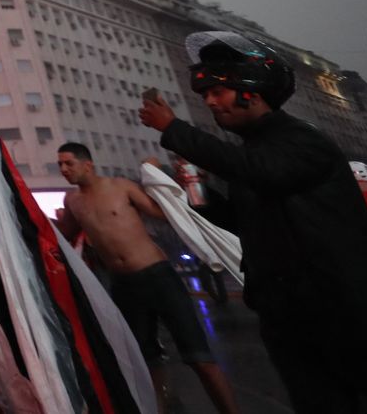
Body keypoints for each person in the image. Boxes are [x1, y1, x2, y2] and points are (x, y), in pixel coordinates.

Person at [140, 31, 367, 411]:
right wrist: (193, 195)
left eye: (218, 91)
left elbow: (265, 173)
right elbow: (243, 217)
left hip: (342, 310)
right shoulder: (252, 155)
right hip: (288, 317)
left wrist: (173, 129)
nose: (211, 102)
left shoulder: (301, 140)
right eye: (206, 95)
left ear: (254, 91)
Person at [54, 141, 239, 413]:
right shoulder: (72, 201)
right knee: (145, 359)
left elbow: (161, 213)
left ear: (87, 164)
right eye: (60, 164)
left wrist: (186, 186)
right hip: (123, 285)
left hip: (157, 276)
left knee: (199, 357)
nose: (63, 169)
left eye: (68, 163)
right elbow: (63, 235)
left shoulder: (121, 187)